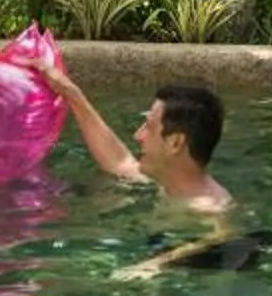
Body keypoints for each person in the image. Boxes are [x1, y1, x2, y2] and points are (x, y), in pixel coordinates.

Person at [41, 59, 235, 215]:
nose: (138, 135)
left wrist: (153, 265)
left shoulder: (212, 209)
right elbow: (118, 161)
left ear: (176, 143)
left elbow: (219, 244)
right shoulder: (166, 181)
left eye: (149, 127)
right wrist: (69, 92)